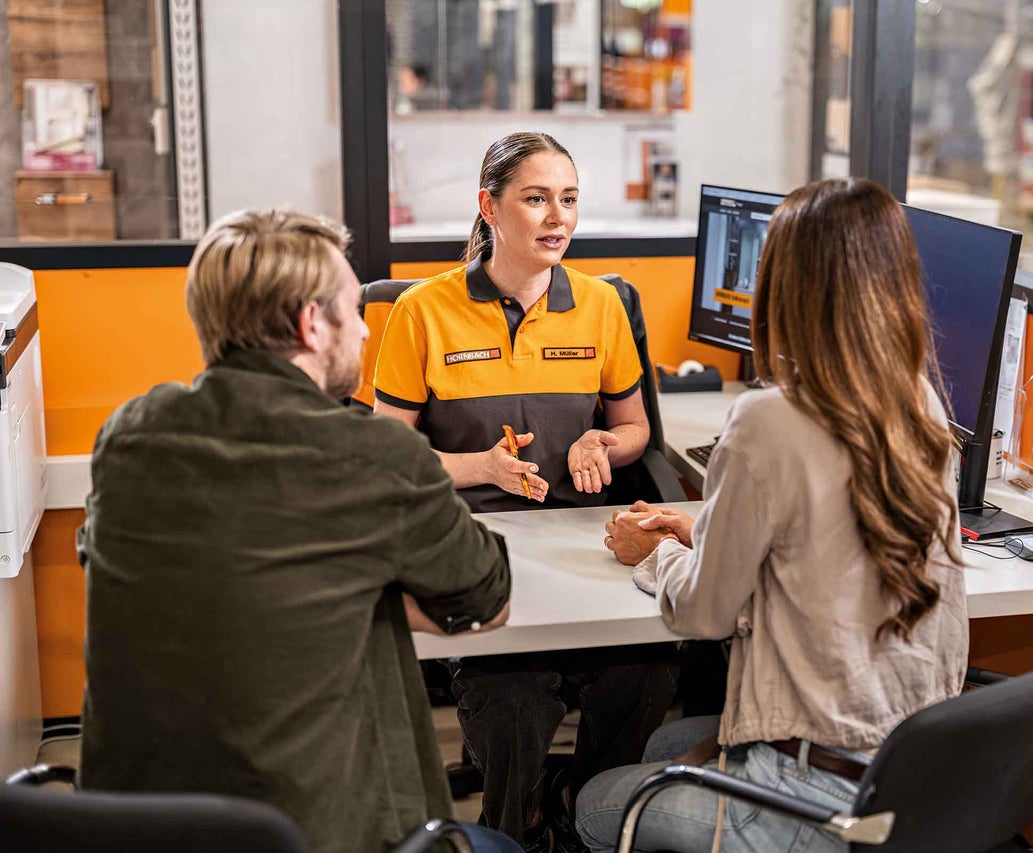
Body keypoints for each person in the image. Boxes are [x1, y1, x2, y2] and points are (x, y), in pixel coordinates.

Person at [77, 209, 520, 853]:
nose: (364, 329)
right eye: (354, 310)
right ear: (312, 324)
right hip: (310, 830)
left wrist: (320, 587)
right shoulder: (370, 454)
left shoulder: (131, 434)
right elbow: (489, 601)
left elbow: (181, 576)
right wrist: (358, 589)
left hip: (130, 828)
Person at [575, 178, 970, 852]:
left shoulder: (767, 419)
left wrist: (658, 555)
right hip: (908, 773)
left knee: (593, 803)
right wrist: (702, 531)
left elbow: (704, 614)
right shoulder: (920, 403)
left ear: (785, 288)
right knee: (669, 741)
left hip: (809, 796)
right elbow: (832, 543)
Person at [372, 131, 678, 850]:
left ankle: (593, 817)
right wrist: (480, 468)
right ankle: (517, 829)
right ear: (490, 207)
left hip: (579, 543)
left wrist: (603, 442)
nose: (557, 217)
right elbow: (384, 458)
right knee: (510, 695)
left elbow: (635, 429)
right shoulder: (422, 310)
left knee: (647, 668)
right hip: (472, 548)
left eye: (568, 199)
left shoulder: (601, 304)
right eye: (536, 199)